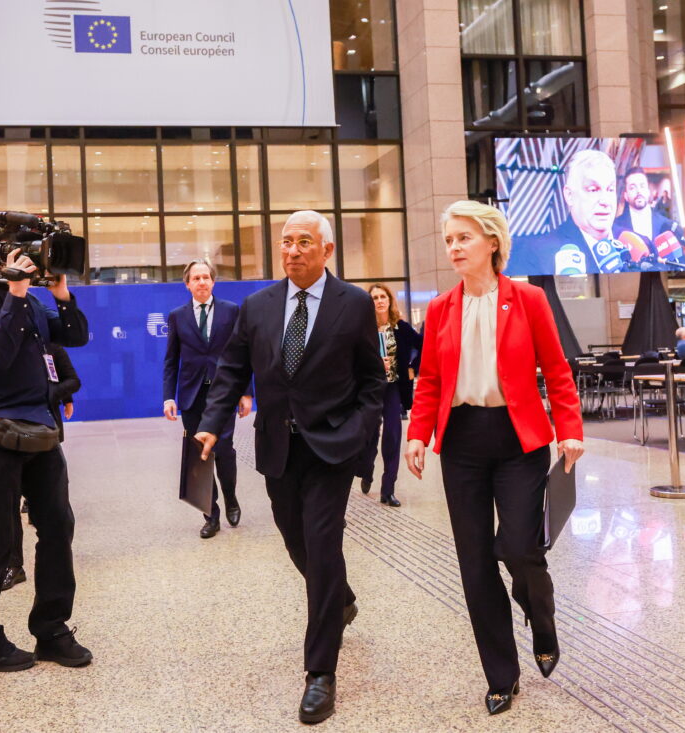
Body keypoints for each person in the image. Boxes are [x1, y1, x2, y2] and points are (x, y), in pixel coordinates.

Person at [195, 210, 386, 725]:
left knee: (322, 546)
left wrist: (359, 432)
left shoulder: (354, 303)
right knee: (295, 539)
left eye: (305, 241)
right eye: (286, 241)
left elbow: (372, 381)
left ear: (327, 250)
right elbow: (232, 371)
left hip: (331, 448)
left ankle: (320, 672)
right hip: (279, 446)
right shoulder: (258, 306)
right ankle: (340, 599)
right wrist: (212, 423)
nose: (293, 250)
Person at [405, 200, 583, 715]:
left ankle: (541, 618)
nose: (454, 247)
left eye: (463, 237)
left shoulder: (527, 299)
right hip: (462, 441)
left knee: (520, 547)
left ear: (492, 242)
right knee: (476, 561)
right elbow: (430, 380)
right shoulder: (441, 308)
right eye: (449, 240)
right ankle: (501, 674)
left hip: (517, 439)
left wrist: (569, 430)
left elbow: (556, 369)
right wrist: (417, 434)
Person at [0, 248, 90, 673]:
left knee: (58, 525)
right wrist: (14, 293)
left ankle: (51, 629)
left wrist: (62, 296)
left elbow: (74, 336)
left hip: (38, 425)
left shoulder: (30, 299)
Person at [162, 259, 252, 539]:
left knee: (224, 449)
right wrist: (168, 397)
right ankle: (210, 515)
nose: (201, 282)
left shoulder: (231, 311)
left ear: (213, 281)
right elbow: (171, 360)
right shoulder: (177, 316)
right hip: (191, 396)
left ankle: (231, 498)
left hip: (224, 393)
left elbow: (242, 354)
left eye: (206, 277)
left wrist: (246, 392)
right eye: (196, 278)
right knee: (199, 455)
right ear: (187, 284)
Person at [4, 343, 79, 591]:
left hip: (45, 432)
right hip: (6, 434)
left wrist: (54, 394)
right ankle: (13, 565)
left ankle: (56, 561)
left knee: (56, 509)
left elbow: (71, 380)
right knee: (8, 504)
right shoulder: (1, 345)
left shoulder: (50, 347)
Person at [507, 149, 633, 276]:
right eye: (593, 190)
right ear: (569, 196)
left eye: (610, 189)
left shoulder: (636, 243)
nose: (605, 201)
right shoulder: (535, 254)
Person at [355, 283, 422, 506]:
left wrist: (413, 367)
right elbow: (351, 357)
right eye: (375, 298)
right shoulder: (362, 329)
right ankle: (366, 470)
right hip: (370, 389)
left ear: (390, 300)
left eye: (383, 296)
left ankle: (388, 489)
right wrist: (375, 363)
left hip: (393, 388)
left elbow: (424, 345)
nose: (380, 301)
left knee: (393, 435)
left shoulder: (400, 327)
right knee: (369, 436)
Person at [613, 167, 685, 270]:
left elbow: (682, 266)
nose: (638, 191)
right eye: (632, 188)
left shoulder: (667, 226)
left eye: (642, 186)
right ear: (625, 196)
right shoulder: (615, 228)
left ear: (648, 191)